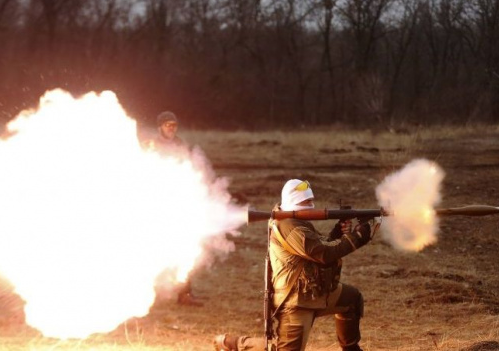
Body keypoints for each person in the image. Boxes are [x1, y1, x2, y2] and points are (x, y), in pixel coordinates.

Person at [214, 179, 374, 351]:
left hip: (315, 291)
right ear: (293, 202)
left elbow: (314, 248)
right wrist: (356, 238)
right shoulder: (289, 226)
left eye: (310, 201)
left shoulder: (295, 219)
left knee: (352, 299)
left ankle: (351, 348)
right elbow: (323, 254)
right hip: (296, 301)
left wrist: (335, 234)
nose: (311, 205)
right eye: (306, 202)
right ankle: (236, 344)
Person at [145, 111, 202, 307]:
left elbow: (189, 166)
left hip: (178, 201)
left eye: (174, 125)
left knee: (183, 247)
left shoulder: (180, 144)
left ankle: (185, 293)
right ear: (160, 126)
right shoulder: (152, 146)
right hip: (159, 202)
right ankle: (146, 291)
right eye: (168, 125)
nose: (171, 128)